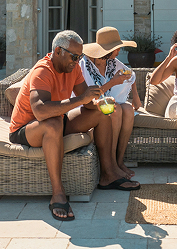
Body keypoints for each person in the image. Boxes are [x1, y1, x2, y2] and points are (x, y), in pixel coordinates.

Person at [8, 29, 140, 222]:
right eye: (74, 56)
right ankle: (58, 194)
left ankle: (108, 174)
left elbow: (85, 101)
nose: (77, 60)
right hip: (27, 128)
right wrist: (81, 99)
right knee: (52, 123)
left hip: (57, 120)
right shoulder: (42, 71)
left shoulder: (74, 68)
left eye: (79, 56)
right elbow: (41, 112)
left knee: (102, 114)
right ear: (58, 51)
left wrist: (96, 101)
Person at [81, 26, 142, 178]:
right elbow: (89, 97)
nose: (119, 51)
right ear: (107, 50)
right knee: (116, 110)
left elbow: (131, 75)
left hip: (106, 104)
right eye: (117, 48)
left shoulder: (112, 62)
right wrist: (113, 82)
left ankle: (119, 161)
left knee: (127, 109)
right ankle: (111, 165)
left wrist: (135, 96)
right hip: (88, 108)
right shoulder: (84, 66)